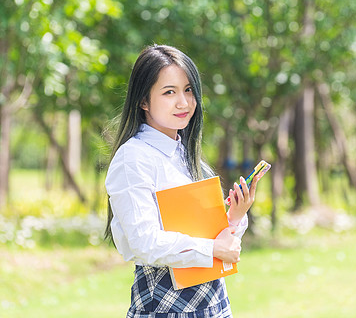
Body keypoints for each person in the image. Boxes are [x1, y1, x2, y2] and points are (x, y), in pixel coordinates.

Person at [104, 44, 260, 318]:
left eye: (188, 90)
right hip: (164, 305)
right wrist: (212, 248)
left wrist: (234, 216)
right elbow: (144, 241)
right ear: (143, 101)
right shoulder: (133, 158)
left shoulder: (189, 156)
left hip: (213, 301)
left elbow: (218, 240)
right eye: (169, 92)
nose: (184, 102)